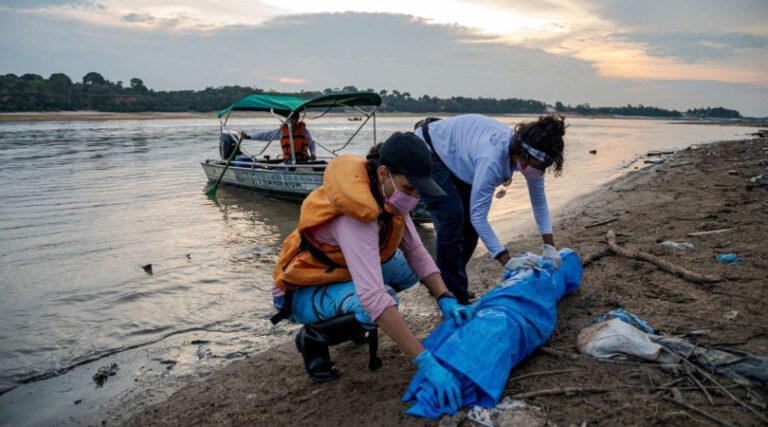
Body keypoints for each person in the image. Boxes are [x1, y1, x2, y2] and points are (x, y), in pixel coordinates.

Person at [270, 132, 472, 410]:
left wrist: (445, 297)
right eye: (409, 188)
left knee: (407, 271)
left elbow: (416, 253)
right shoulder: (357, 216)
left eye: (417, 190)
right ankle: (313, 339)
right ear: (383, 173)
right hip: (299, 293)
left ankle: (351, 323)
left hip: (336, 273)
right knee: (379, 302)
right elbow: (376, 299)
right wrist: (425, 361)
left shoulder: (388, 197)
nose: (414, 197)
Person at [414, 114, 566, 305]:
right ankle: (454, 296)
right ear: (523, 154)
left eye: (545, 167)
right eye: (538, 166)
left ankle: (445, 284)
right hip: (430, 149)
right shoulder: (492, 159)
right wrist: (507, 260)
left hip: (461, 157)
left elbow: (539, 202)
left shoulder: (532, 156)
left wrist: (550, 247)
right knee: (451, 220)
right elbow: (479, 217)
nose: (541, 172)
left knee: (469, 230)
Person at [241, 113, 317, 162]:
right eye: (292, 119)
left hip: (303, 160)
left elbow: (312, 144)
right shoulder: (281, 131)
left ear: (298, 120)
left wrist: (313, 154)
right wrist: (249, 137)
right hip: (288, 161)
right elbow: (266, 135)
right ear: (288, 120)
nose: (294, 122)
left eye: (296, 119)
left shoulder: (304, 131)